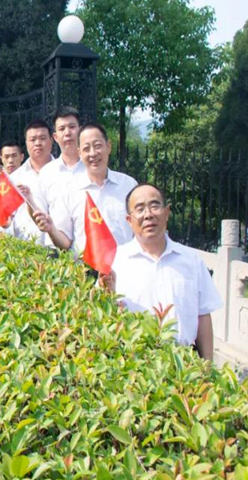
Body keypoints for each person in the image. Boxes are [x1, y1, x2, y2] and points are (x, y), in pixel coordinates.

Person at [102, 183, 222, 360]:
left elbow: (203, 315)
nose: (148, 214)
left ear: (167, 212)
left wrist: (207, 366)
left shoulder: (191, 260)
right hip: (133, 364)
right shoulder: (114, 261)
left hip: (184, 365)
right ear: (129, 220)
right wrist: (107, 294)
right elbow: (103, 318)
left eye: (154, 206)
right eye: (140, 209)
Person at [33, 123, 137, 256]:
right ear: (80, 153)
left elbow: (140, 232)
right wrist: (51, 229)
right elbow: (66, 242)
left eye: (98, 146)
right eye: (86, 148)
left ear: (108, 146)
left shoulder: (128, 185)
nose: (93, 153)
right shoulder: (69, 190)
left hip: (124, 265)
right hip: (84, 267)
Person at [37, 107, 86, 214]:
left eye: (72, 127)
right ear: (55, 137)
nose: (67, 133)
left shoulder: (92, 168)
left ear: (80, 131)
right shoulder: (46, 173)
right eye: (62, 129)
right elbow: (41, 214)